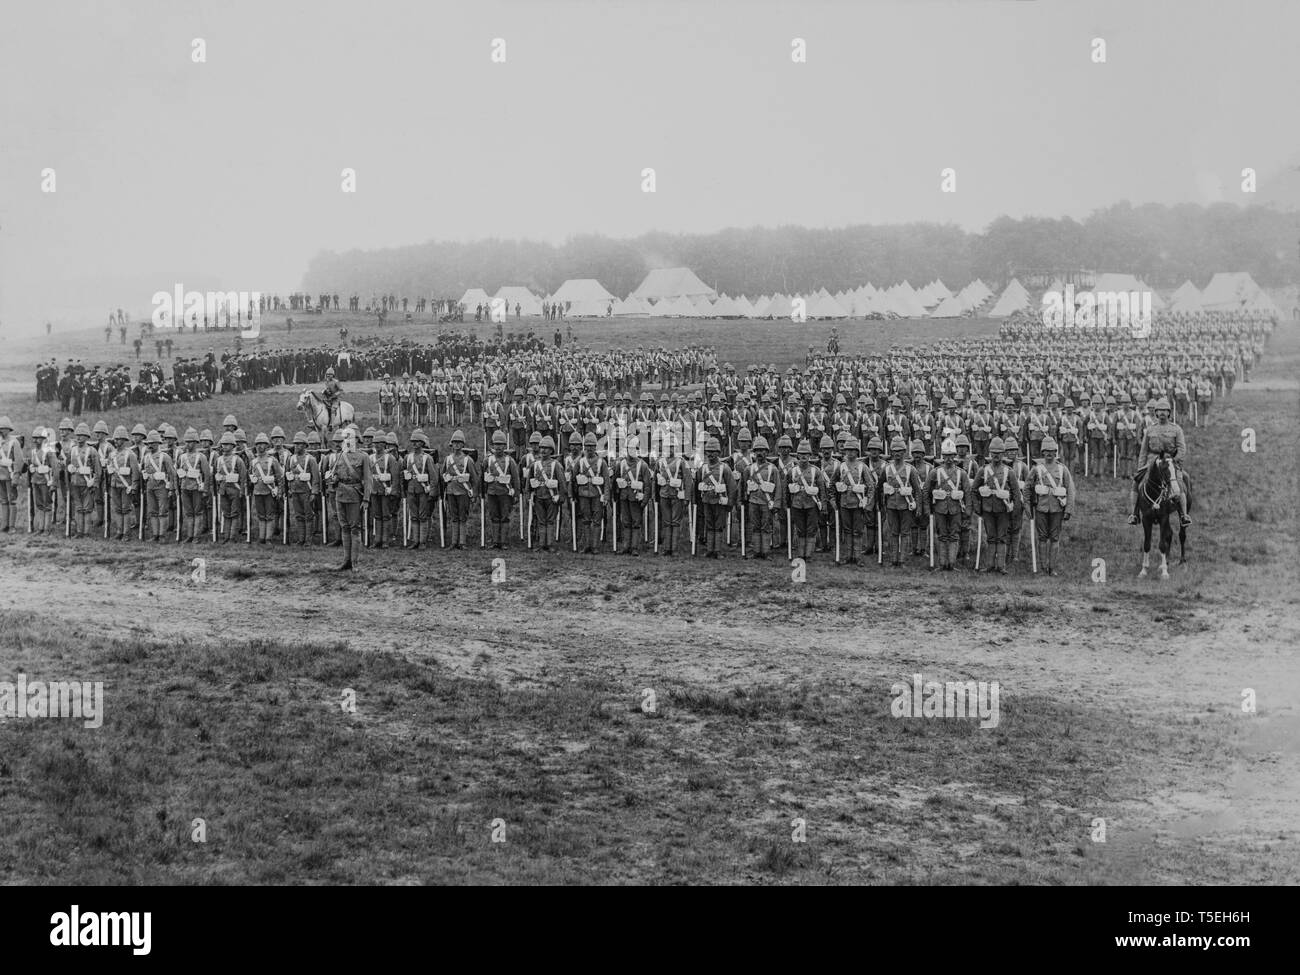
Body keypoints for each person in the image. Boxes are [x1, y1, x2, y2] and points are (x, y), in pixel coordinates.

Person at [1128, 398, 1191, 527]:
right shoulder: (1150, 430)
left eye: (1165, 410)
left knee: (1181, 481)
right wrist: (1141, 468)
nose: (1162, 413)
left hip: (1170, 463)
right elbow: (1144, 451)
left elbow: (1182, 449)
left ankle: (1183, 515)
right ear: (1155, 413)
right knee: (1136, 483)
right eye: (1159, 410)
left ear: (1169, 413)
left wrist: (1174, 461)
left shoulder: (1176, 429)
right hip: (1152, 463)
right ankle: (1134, 514)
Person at [1027, 436, 1074, 576]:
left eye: (1052, 451)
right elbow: (1027, 488)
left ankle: (1052, 568)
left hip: (1057, 508)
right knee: (1042, 538)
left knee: (1054, 538)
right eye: (1046, 451)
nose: (1049, 454)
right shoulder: (1036, 469)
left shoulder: (1062, 469)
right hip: (1041, 507)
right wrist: (1027, 506)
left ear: (1056, 452)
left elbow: (1070, 489)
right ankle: (1042, 567)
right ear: (1042, 452)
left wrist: (1069, 509)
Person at [926, 438, 969, 571]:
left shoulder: (961, 473)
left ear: (955, 456)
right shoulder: (935, 472)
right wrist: (927, 508)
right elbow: (926, 490)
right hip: (940, 508)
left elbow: (967, 492)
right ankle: (942, 564)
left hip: (956, 508)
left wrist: (968, 510)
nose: (949, 459)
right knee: (942, 535)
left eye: (951, 456)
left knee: (954, 535)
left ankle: (952, 564)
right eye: (946, 456)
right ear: (942, 456)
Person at [332, 427, 373, 570]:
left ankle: (354, 562)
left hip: (355, 495)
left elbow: (368, 479)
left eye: (350, 438)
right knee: (344, 527)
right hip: (340, 494)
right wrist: (333, 479)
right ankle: (346, 560)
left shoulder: (363, 457)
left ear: (356, 439)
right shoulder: (339, 456)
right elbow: (335, 474)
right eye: (345, 438)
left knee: (355, 528)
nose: (347, 441)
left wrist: (366, 499)